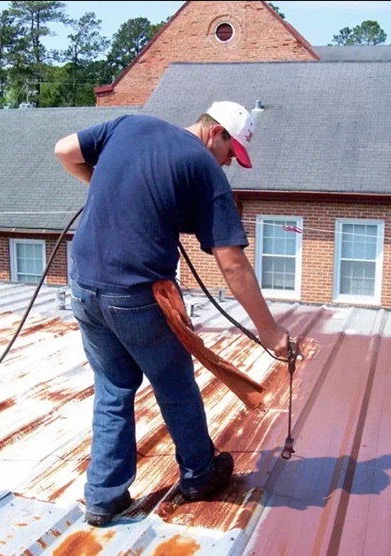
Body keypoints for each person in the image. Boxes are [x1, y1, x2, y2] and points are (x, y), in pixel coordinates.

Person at [54, 100, 291, 527]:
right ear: (215, 133)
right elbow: (231, 262)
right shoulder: (203, 167)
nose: (228, 165)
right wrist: (270, 332)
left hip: (83, 285)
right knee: (174, 381)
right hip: (137, 293)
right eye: (230, 154)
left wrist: (110, 195)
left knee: (113, 385)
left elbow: (64, 150)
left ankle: (104, 497)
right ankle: (199, 473)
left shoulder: (129, 124)